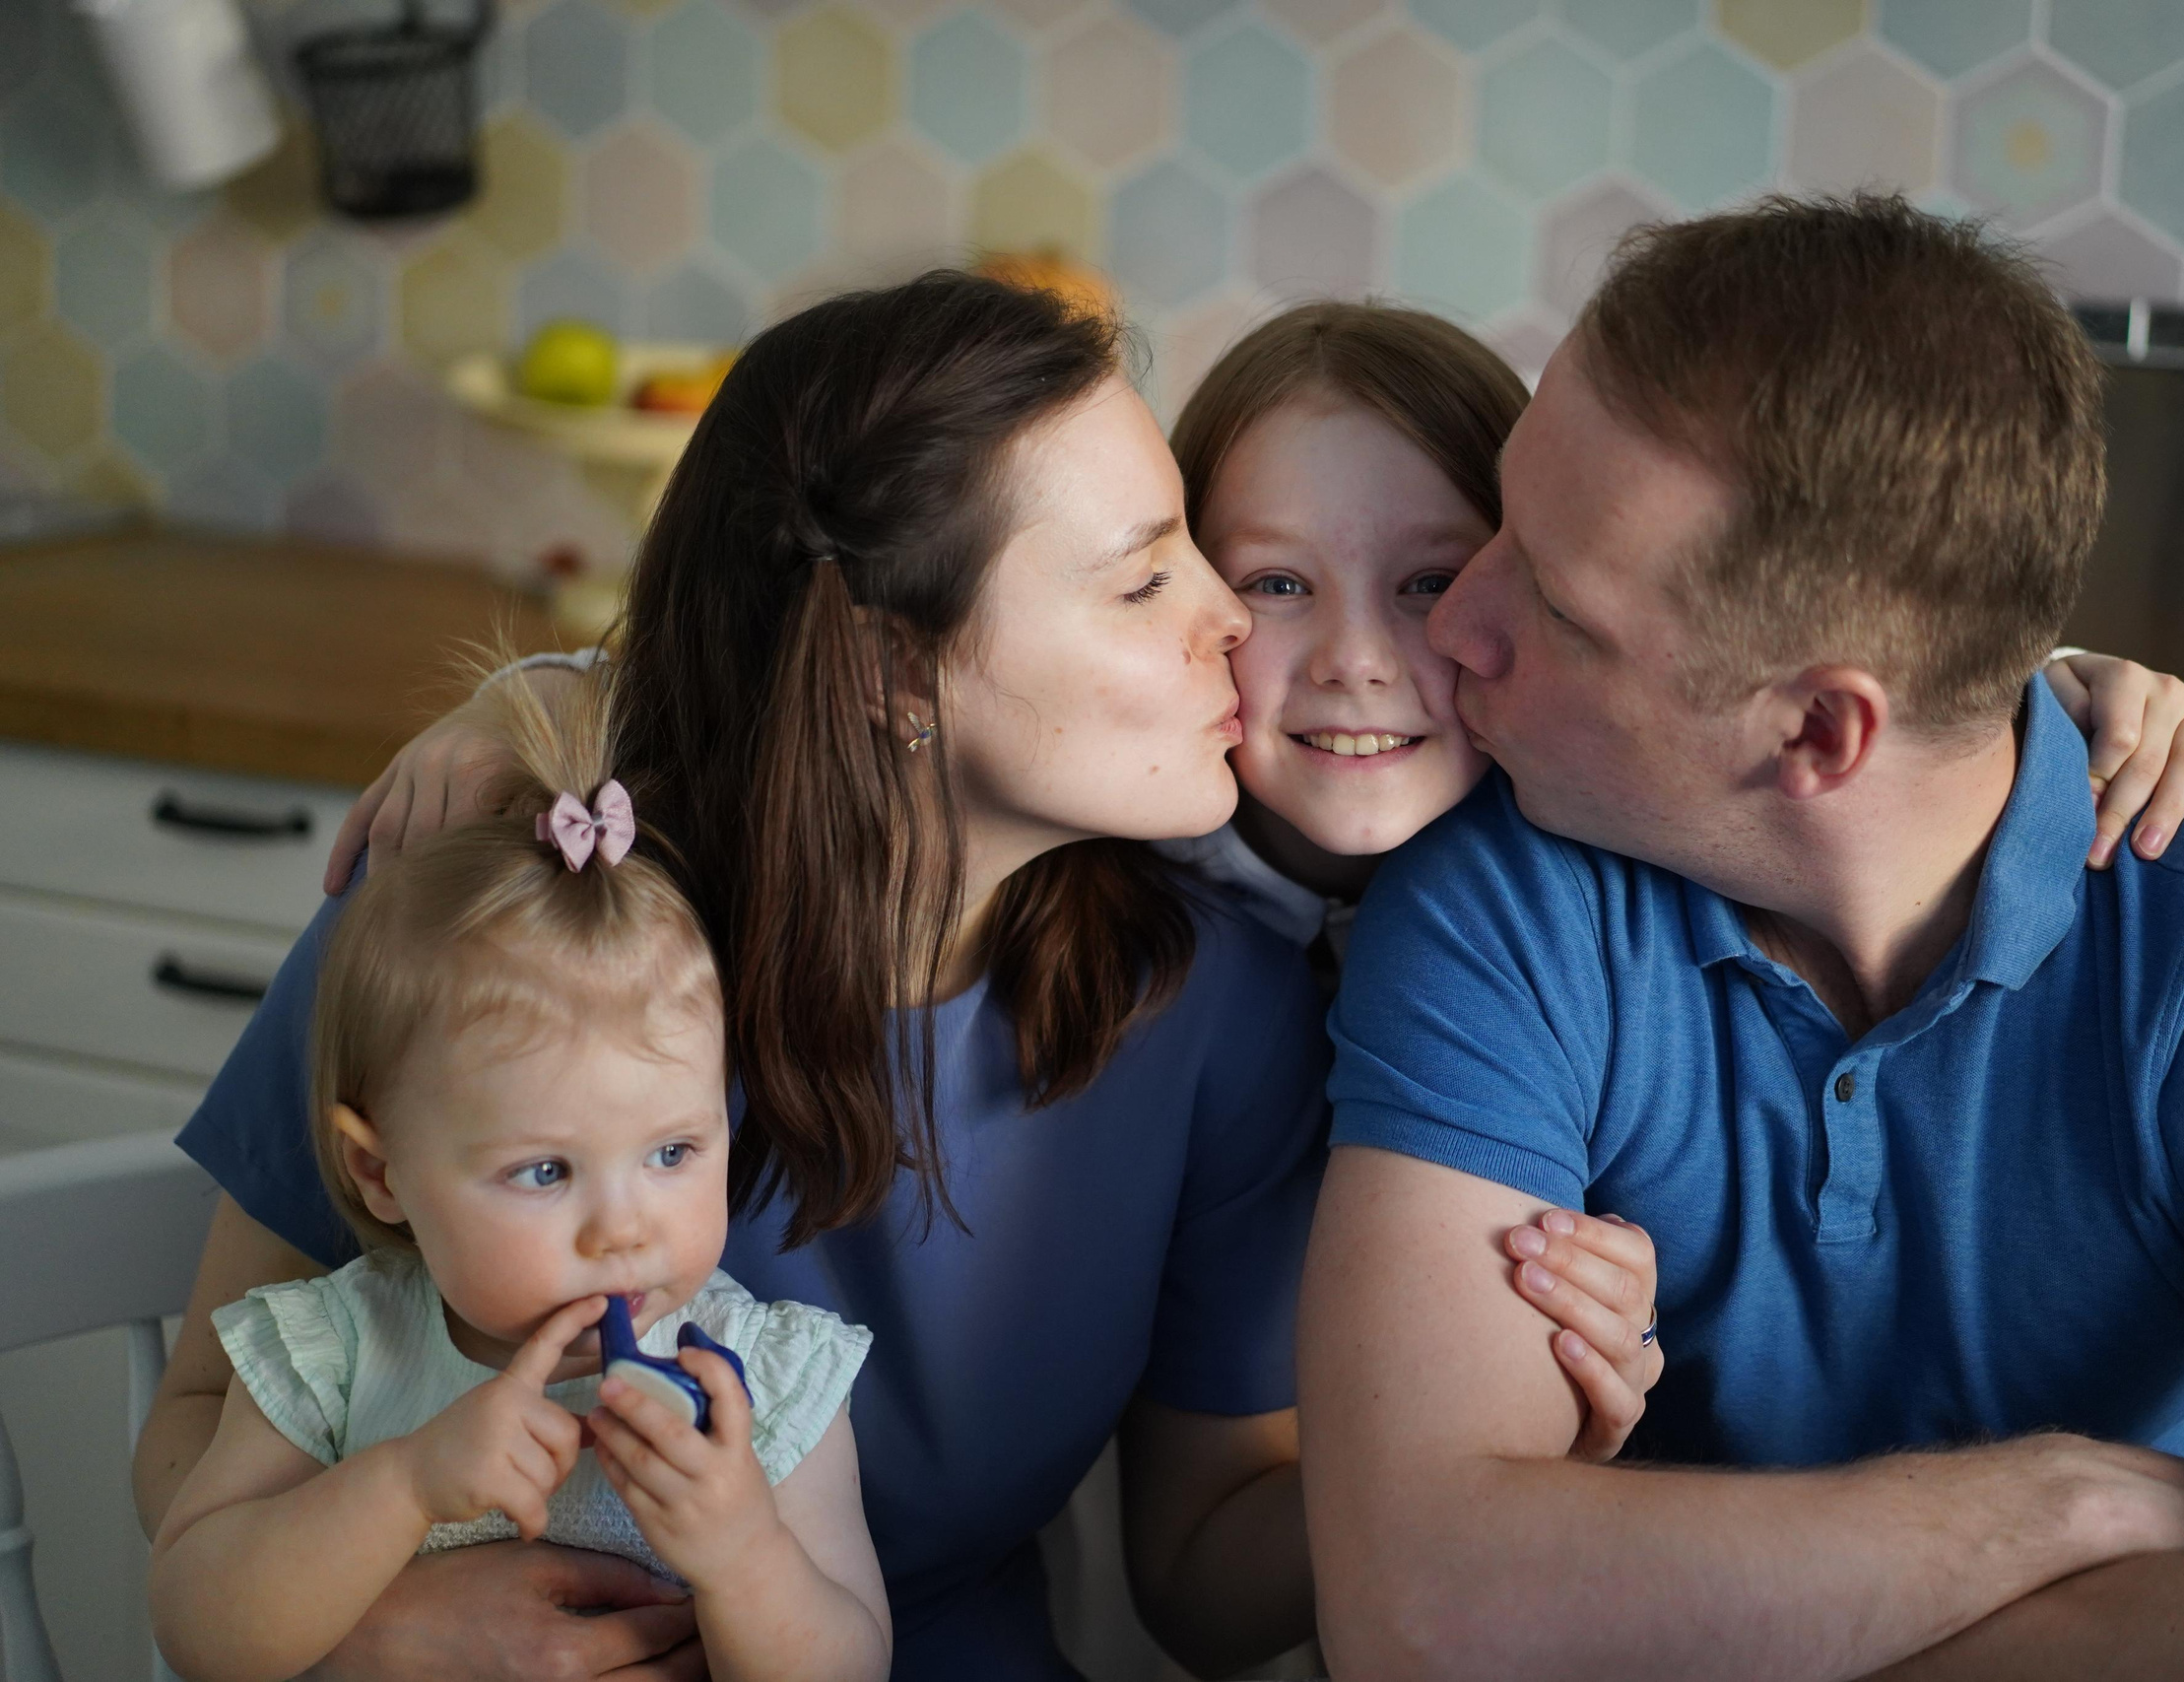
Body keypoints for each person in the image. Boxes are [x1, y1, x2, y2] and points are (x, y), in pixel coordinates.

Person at [134, 272, 1662, 1682]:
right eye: (1146, 581)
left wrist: (1498, 1468)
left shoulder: (1224, 1015)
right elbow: (202, 1425)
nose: (1226, 625)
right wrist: (382, 1635)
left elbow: (1201, 1578)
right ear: (887, 669)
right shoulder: (488, 928)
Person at [1299, 194, 2184, 1682]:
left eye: (1556, 604)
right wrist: (2059, 1502)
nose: (1455, 627)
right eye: (1503, 518)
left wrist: (1666, 1618)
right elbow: (1421, 1613)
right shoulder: (1502, 890)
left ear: (1820, 727)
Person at [149, 669, 886, 1682]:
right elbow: (201, 1630)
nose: (622, 1230)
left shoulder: (759, 1383)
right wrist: (403, 1485)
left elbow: (852, 1667)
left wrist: (745, 1554)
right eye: (544, 1171)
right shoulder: (333, 1356)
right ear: (382, 1174)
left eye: (673, 1153)